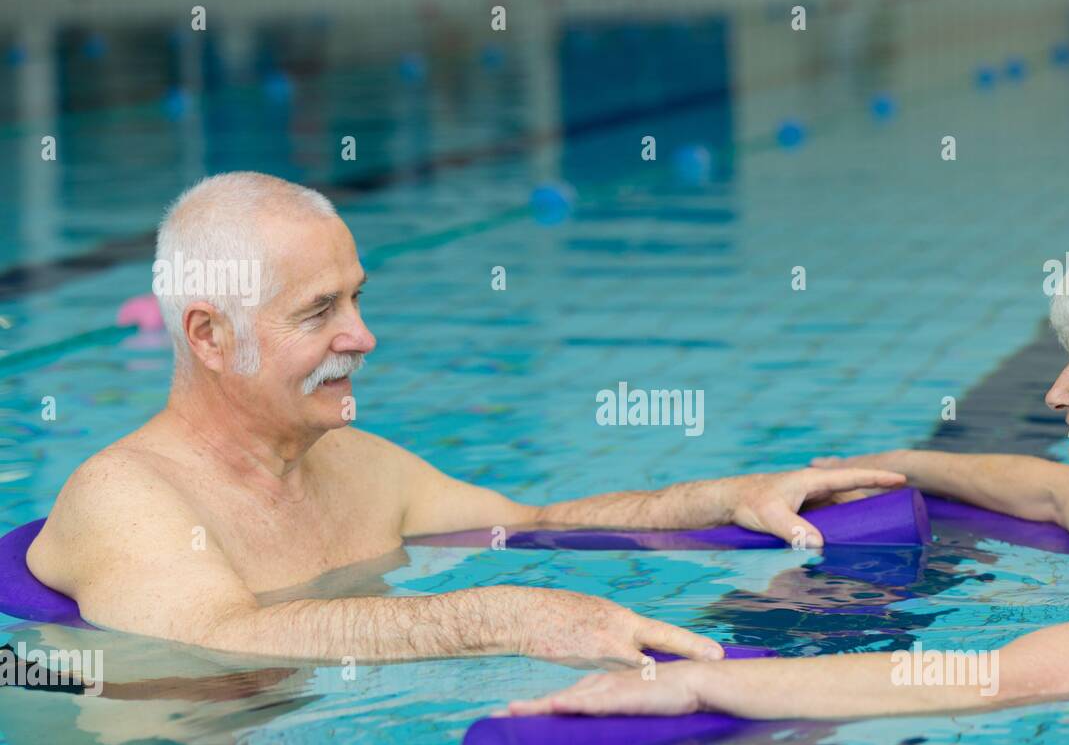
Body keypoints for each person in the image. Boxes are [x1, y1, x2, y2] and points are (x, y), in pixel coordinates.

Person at [26, 172, 900, 665]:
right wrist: (507, 619)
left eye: (357, 299)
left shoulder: (357, 465)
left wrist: (727, 496)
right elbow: (219, 640)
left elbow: (531, 526)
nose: (362, 337)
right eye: (318, 311)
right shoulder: (126, 497)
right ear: (210, 337)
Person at [510, 225, 1069, 718]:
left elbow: (994, 679)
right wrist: (889, 465)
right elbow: (1042, 487)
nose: (1057, 394)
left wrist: (696, 684)